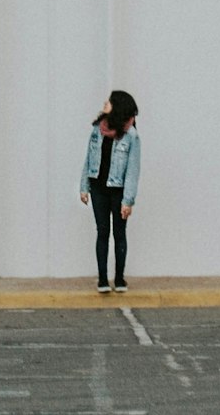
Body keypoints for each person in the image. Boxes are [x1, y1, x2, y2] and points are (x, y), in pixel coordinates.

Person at [79, 89, 140, 293]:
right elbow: (88, 158)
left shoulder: (131, 135)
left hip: (118, 190)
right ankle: (103, 279)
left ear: (118, 106)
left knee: (119, 233)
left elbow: (133, 169)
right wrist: (84, 187)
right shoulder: (98, 128)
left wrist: (128, 201)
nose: (105, 102)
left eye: (110, 101)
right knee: (102, 231)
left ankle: (120, 279)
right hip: (98, 187)